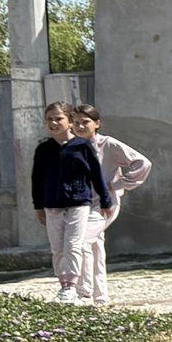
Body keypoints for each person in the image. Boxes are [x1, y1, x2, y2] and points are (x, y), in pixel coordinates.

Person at [68, 104, 151, 309]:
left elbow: (143, 164)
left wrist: (117, 185)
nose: (80, 126)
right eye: (76, 123)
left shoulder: (109, 144)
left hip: (105, 205)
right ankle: (101, 298)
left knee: (81, 241)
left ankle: (83, 294)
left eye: (85, 122)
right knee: (95, 246)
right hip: (81, 205)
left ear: (96, 124)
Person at [29, 101, 111, 305]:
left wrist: (105, 201)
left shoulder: (82, 147)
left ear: (69, 121)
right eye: (49, 119)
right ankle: (63, 284)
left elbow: (96, 175)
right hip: (52, 205)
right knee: (57, 247)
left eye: (59, 118)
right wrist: (38, 206)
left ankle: (71, 287)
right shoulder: (43, 149)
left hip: (78, 204)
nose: (54, 123)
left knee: (73, 244)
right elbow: (36, 179)